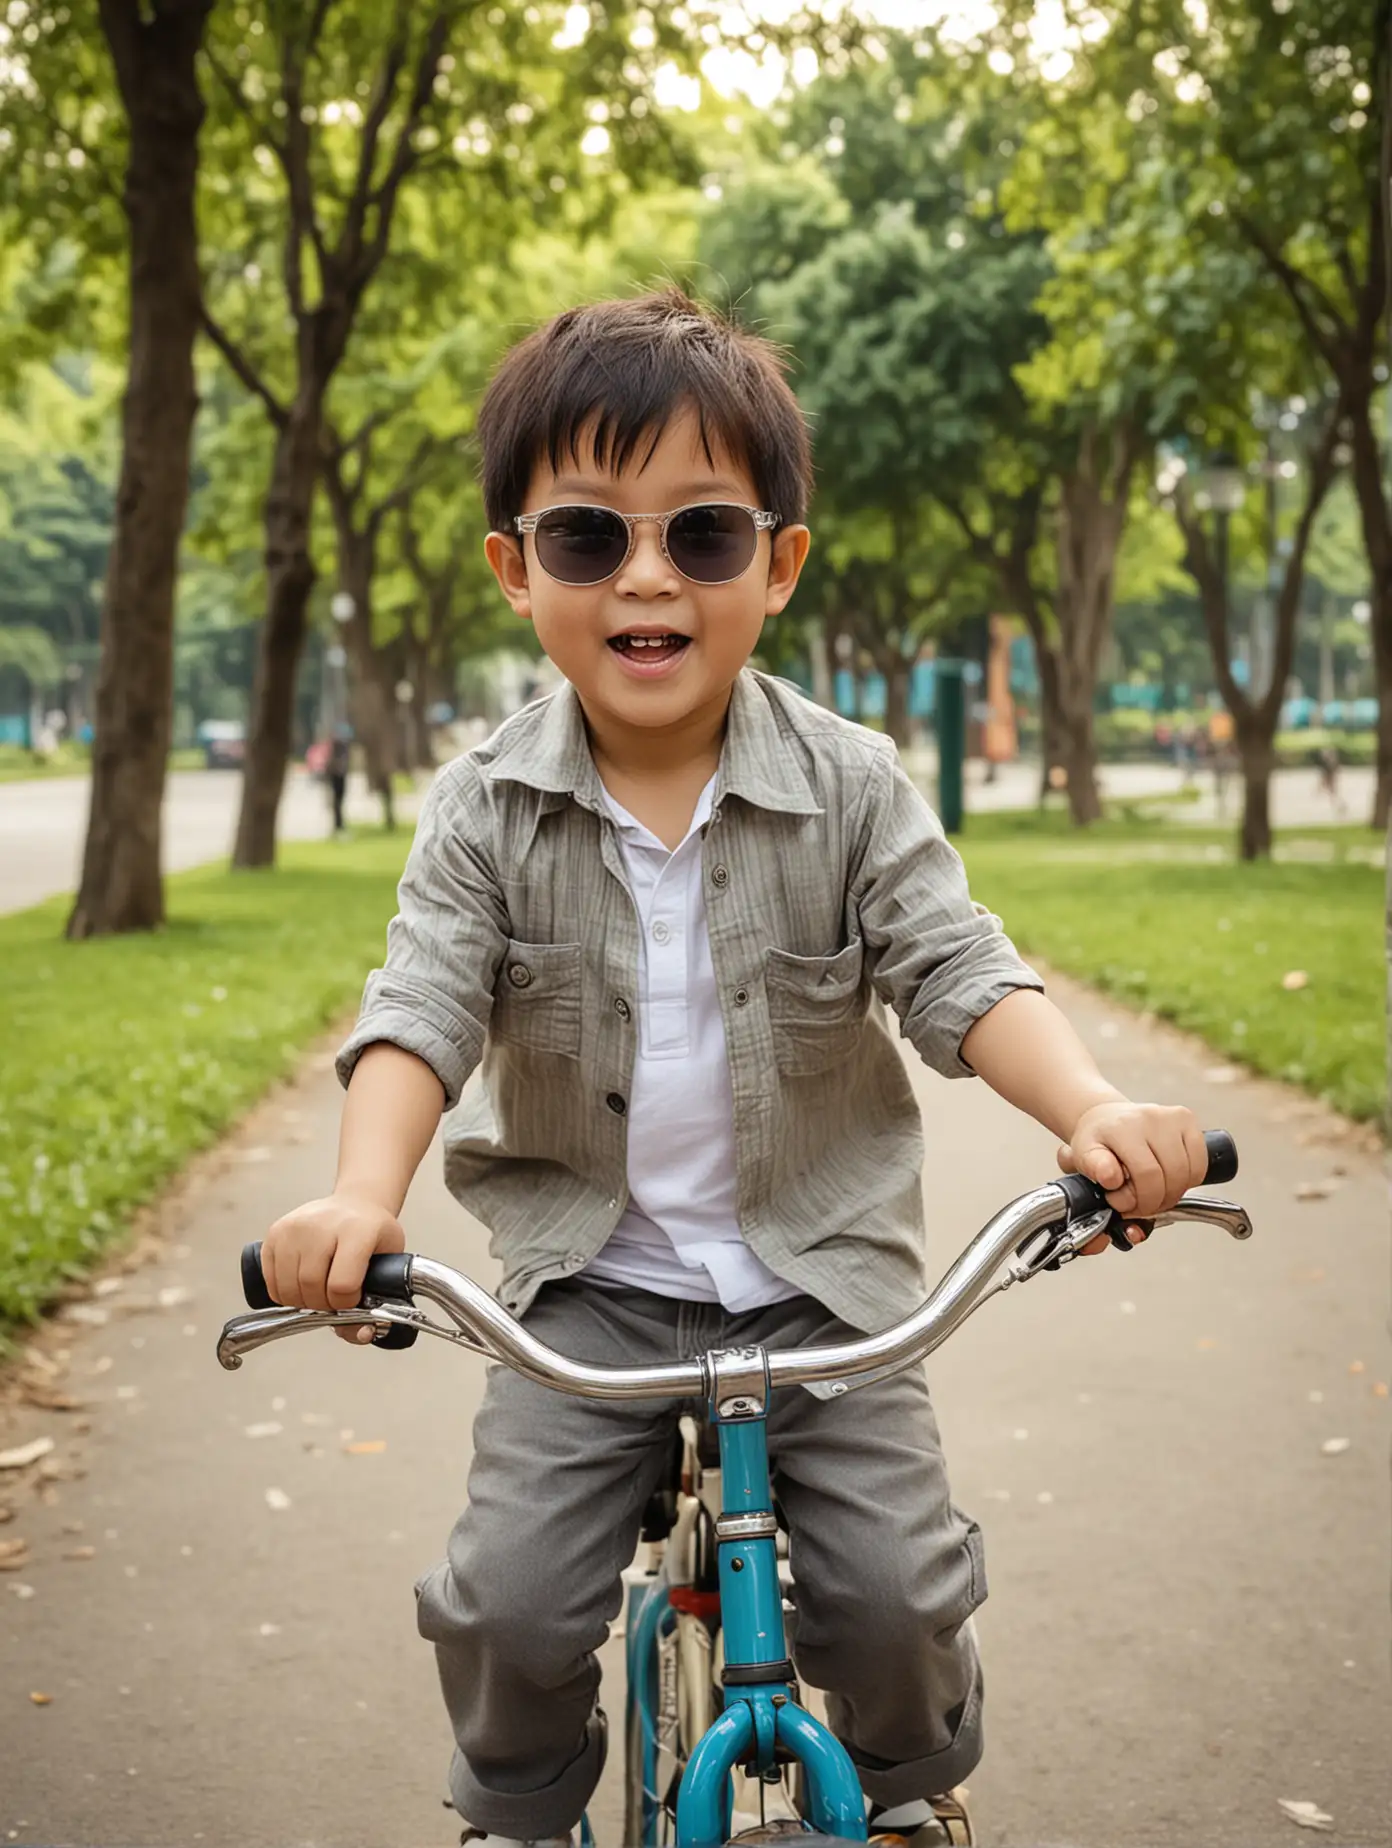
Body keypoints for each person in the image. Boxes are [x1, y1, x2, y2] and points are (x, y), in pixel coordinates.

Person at [258, 290, 1212, 1848]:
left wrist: (1099, 1113)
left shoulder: (849, 787)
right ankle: (517, 1817)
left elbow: (959, 972)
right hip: (583, 1292)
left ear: (776, 565)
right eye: (587, 537)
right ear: (516, 569)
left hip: (829, 1289)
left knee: (899, 1597)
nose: (646, 575)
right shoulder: (485, 809)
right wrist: (361, 1202)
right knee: (503, 1604)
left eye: (702, 535)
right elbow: (418, 1008)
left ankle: (910, 1799)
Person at [326, 726, 351, 834]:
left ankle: (339, 824)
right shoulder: (339, 751)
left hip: (338, 776)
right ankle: (338, 824)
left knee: (338, 801)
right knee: (338, 800)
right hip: (338, 776)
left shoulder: (337, 751)